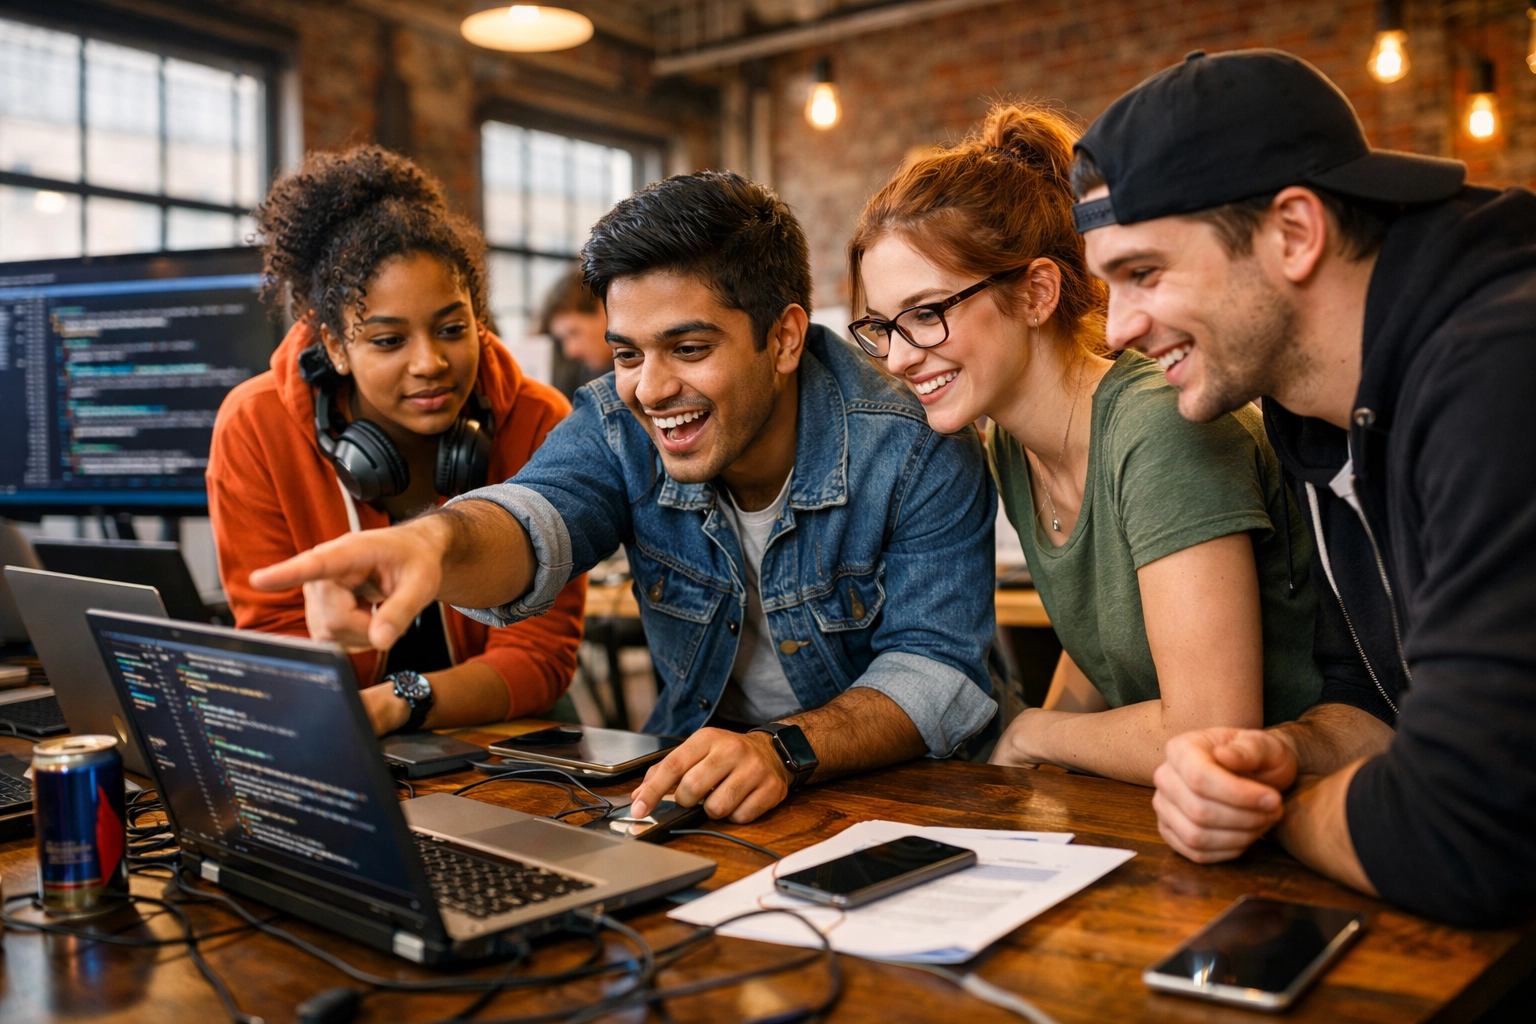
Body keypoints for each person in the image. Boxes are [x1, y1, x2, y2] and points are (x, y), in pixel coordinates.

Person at [249, 170, 999, 825]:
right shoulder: (616, 421)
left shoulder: (914, 445)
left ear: (784, 338)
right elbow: (537, 515)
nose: (650, 388)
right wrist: (435, 543)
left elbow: (937, 671)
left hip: (904, 795)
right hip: (691, 785)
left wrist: (782, 750)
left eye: (689, 348)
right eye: (628, 353)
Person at [1072, 49, 1536, 925]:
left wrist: (1280, 817)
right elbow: (1371, 697)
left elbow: (1471, 832)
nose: (1118, 328)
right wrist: (1266, 762)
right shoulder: (1314, 410)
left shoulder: (1501, 371)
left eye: (1145, 273)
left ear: (1293, 232)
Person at [846, 103, 1322, 787]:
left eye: (925, 315)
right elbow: (1101, 640)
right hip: (1168, 806)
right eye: (881, 327)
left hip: (1301, 803)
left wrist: (1037, 731)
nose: (896, 358)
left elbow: (1211, 731)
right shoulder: (1012, 444)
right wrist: (1038, 748)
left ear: (1038, 293)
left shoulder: (1159, 429)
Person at [207, 145, 586, 736]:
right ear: (334, 345)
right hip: (339, 725)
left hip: (505, 724)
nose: (430, 363)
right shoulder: (256, 425)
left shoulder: (540, 419)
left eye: (452, 329)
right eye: (388, 341)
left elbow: (539, 657)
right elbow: (273, 648)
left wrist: (395, 702)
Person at [540, 266, 612, 400]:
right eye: (562, 339)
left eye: (574, 332)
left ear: (603, 308)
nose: (570, 351)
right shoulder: (578, 375)